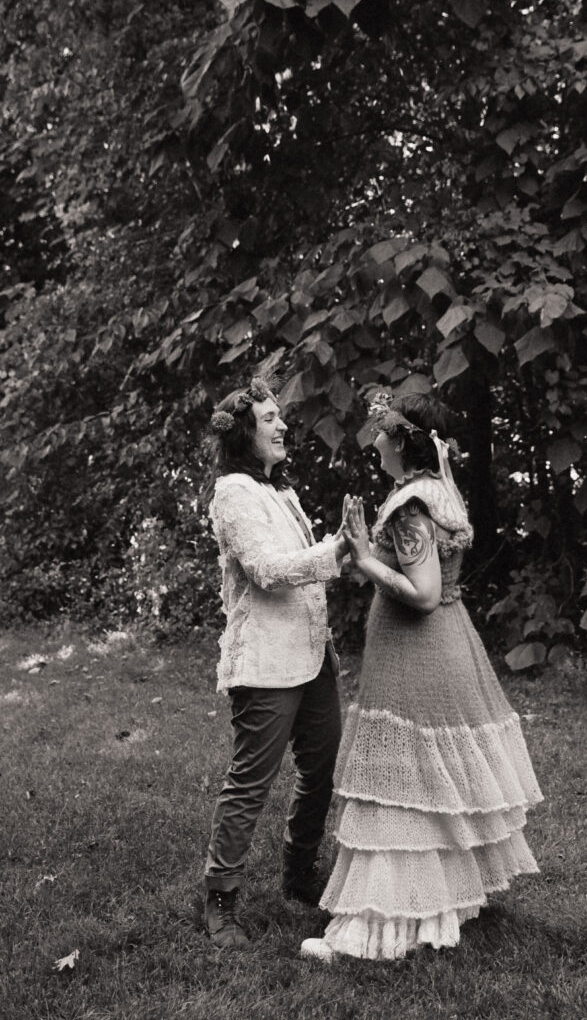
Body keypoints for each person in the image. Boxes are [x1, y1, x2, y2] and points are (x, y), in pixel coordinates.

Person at [301, 392, 543, 961]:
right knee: (428, 785)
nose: (375, 437)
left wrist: (364, 558)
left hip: (419, 654)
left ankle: (376, 930)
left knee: (396, 785)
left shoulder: (411, 504)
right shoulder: (437, 489)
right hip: (446, 647)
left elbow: (425, 594)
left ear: (403, 441)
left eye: (382, 430)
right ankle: (443, 903)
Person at [202, 375, 347, 950]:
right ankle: (221, 900)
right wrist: (340, 548)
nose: (282, 424)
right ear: (243, 434)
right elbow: (267, 569)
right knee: (250, 785)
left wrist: (348, 546)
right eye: (268, 418)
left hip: (313, 660)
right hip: (265, 663)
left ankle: (298, 873)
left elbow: (304, 568)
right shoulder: (234, 492)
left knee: (321, 770)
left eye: (279, 416)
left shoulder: (282, 492)